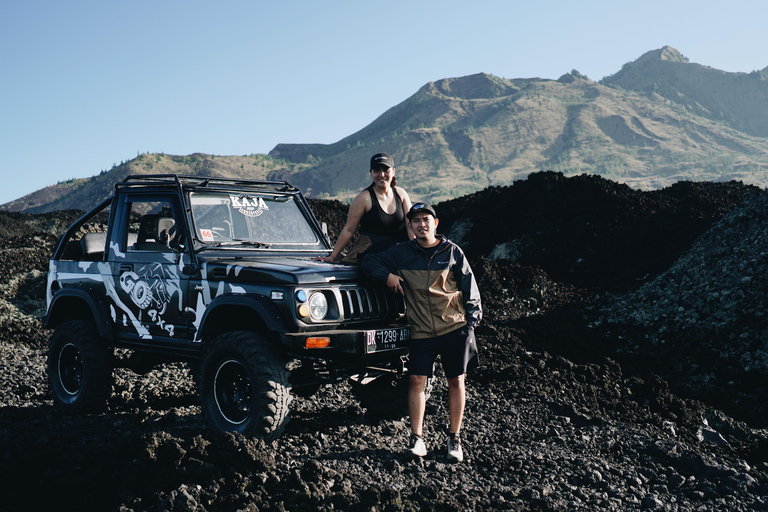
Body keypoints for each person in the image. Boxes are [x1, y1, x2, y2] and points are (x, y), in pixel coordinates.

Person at [362, 202, 482, 462]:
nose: (421, 224)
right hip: (421, 331)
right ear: (410, 226)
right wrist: (388, 277)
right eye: (415, 220)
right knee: (416, 381)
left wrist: (470, 325)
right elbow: (368, 261)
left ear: (435, 223)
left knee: (456, 381)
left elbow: (470, 289)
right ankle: (417, 440)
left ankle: (455, 439)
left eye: (426, 219)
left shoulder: (452, 252)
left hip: (454, 327)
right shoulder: (401, 253)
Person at [316, 153, 413, 264]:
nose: (382, 174)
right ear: (371, 173)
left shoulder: (401, 194)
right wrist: (333, 256)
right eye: (377, 170)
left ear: (393, 171)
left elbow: (411, 225)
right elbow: (349, 229)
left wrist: (418, 249)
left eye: (386, 170)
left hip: (399, 253)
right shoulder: (363, 199)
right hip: (373, 255)